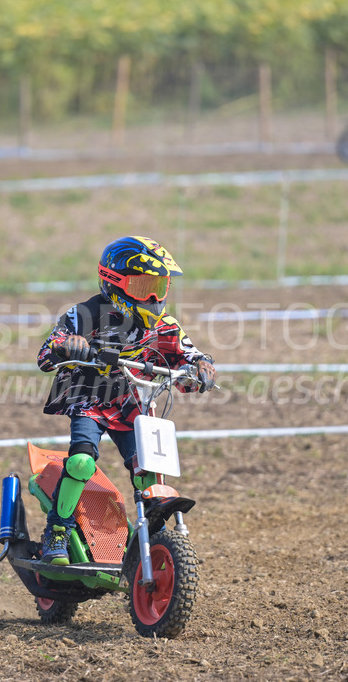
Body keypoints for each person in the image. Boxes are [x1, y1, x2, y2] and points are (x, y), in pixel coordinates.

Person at [35, 235, 216, 565]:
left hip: (134, 401)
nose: (151, 296)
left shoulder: (164, 325)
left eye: (158, 286)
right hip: (89, 398)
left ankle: (146, 540)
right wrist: (68, 346)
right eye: (142, 285)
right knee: (81, 463)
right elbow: (47, 354)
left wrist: (201, 366)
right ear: (114, 284)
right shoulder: (84, 315)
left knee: (147, 469)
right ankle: (57, 530)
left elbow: (188, 354)